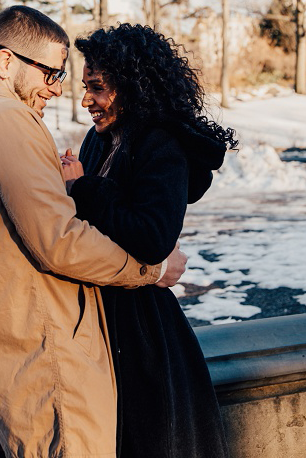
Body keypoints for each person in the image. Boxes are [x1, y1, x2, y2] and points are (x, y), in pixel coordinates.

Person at [0, 6, 186, 457]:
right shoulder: (6, 121)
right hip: (51, 358)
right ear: (6, 61)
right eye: (49, 73)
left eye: (61, 75)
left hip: (20, 349)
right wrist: (151, 270)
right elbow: (60, 241)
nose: (56, 88)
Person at [61, 24, 236, 458]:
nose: (86, 101)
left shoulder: (162, 145)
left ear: (130, 86)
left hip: (139, 332)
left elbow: (154, 236)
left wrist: (82, 189)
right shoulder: (98, 140)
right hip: (98, 317)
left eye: (97, 89)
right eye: (86, 88)